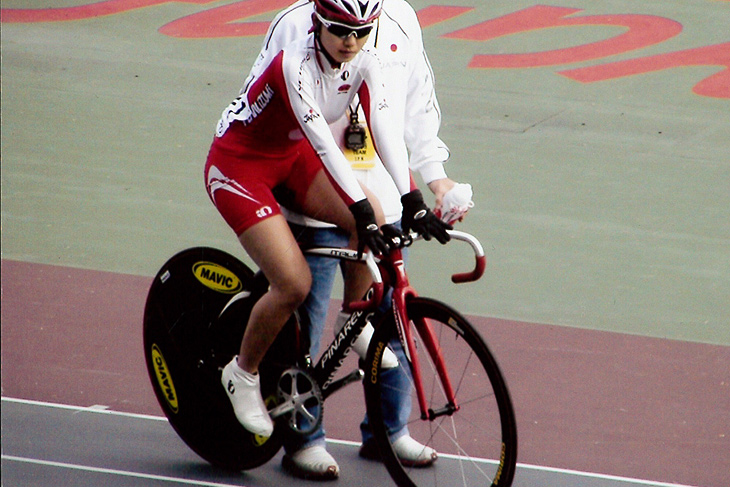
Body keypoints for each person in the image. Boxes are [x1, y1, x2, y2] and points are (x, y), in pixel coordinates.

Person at [204, 0, 452, 473]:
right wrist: (358, 210)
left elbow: (383, 127)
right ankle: (242, 373)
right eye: (339, 30)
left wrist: (413, 197)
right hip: (242, 164)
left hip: (291, 156)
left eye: (361, 32)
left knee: (377, 212)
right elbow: (322, 141)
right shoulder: (294, 60)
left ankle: (353, 324)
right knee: (295, 285)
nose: (350, 42)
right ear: (319, 22)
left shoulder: (367, 58)